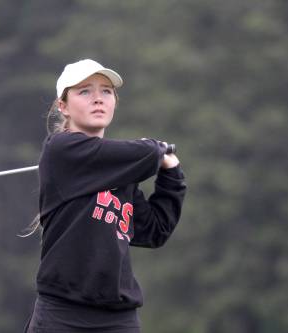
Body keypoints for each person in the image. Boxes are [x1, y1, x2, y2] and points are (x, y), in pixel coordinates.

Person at [24, 59, 186, 333]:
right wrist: (155, 150)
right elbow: (145, 153)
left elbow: (154, 230)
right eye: (85, 91)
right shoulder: (60, 150)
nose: (98, 99)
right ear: (62, 106)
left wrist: (172, 176)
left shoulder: (120, 171)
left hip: (118, 320)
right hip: (62, 316)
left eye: (106, 91)